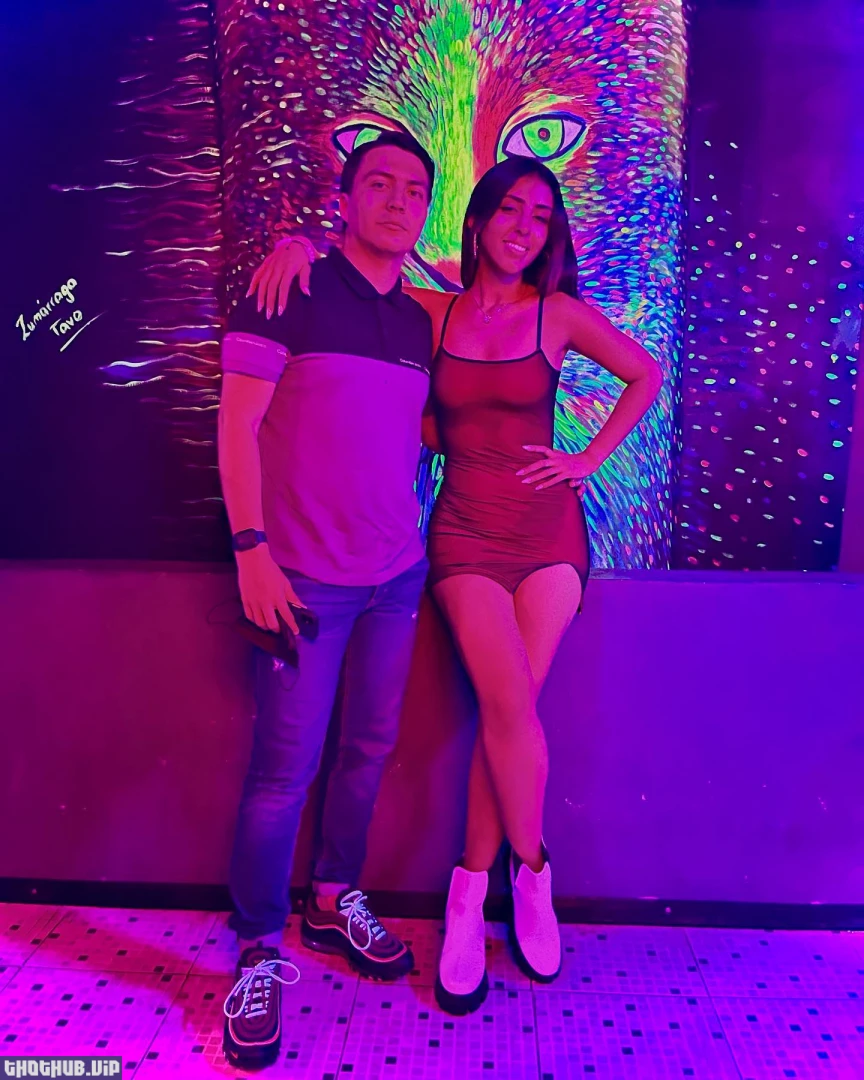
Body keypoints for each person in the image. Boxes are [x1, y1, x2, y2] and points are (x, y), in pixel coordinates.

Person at [251, 154, 663, 1015]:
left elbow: (646, 374)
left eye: (540, 217)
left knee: (510, 713)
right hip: (464, 534)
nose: (524, 227)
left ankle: (477, 892)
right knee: (508, 707)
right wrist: (299, 244)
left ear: (551, 235)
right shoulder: (433, 310)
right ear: (477, 220)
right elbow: (368, 282)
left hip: (549, 537)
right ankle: (531, 869)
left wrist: (587, 459)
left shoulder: (559, 313)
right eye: (509, 209)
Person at [217, 130, 436, 1069]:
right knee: (283, 772)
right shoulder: (288, 290)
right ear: (344, 199)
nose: (397, 201)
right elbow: (235, 426)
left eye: (415, 190)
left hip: (396, 576)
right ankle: (257, 951)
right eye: (378, 184)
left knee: (370, 750)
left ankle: (333, 897)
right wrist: (250, 551)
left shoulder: (422, 320)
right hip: (301, 578)